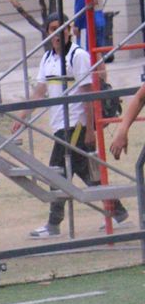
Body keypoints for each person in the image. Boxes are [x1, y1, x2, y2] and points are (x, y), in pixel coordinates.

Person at [25, 17, 127, 237]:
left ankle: (53, 224)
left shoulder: (78, 56)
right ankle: (117, 211)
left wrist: (89, 129)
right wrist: (22, 116)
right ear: (47, 33)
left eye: (61, 29)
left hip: (75, 124)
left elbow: (88, 94)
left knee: (57, 170)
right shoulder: (47, 58)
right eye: (52, 29)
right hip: (59, 125)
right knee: (86, 171)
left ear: (69, 31)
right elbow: (39, 91)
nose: (57, 34)